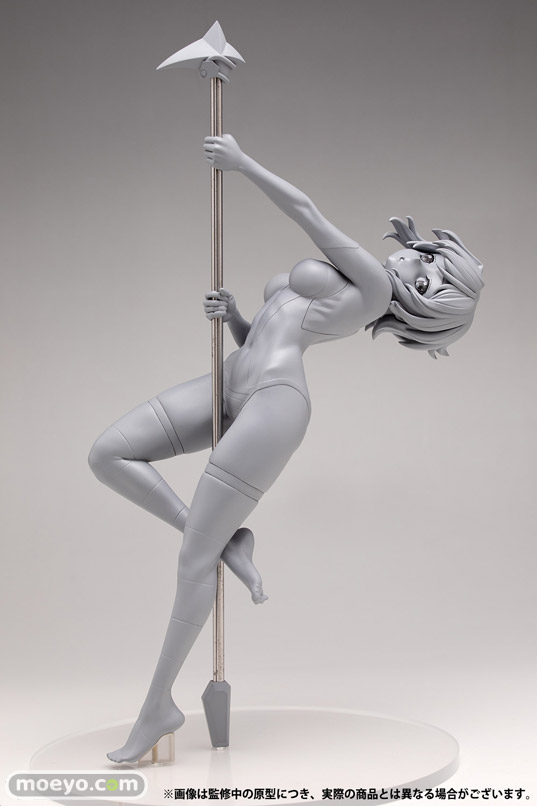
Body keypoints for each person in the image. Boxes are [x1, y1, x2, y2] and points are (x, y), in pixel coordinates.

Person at [88, 134, 483, 763]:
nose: (417, 258)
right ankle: (226, 542)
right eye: (427, 256)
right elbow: (274, 330)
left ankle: (158, 705)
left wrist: (242, 163)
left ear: (425, 296)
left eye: (430, 270)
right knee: (109, 453)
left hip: (274, 404)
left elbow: (306, 211)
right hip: (234, 376)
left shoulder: (373, 288)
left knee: (192, 564)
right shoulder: (355, 285)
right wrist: (237, 317)